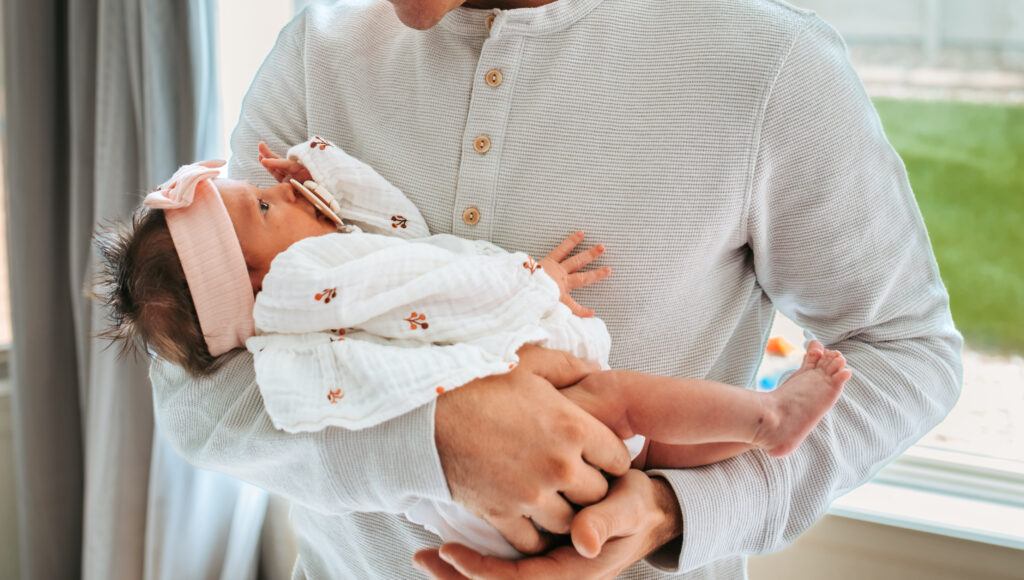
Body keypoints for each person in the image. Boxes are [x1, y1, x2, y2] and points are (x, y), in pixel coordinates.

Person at [149, 0, 962, 578]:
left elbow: (909, 351)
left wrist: (674, 510)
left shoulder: (765, 62)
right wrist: (440, 439)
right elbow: (200, 395)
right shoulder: (312, 62)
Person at [100, 137, 851, 559]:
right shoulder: (309, 277)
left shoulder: (295, 279)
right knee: (624, 402)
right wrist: (533, 283)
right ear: (260, 281)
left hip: (478, 525)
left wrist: (319, 182)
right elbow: (431, 274)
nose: (282, 190)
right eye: (264, 203)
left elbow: (386, 226)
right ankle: (763, 421)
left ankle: (687, 485)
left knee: (646, 458)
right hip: (528, 414)